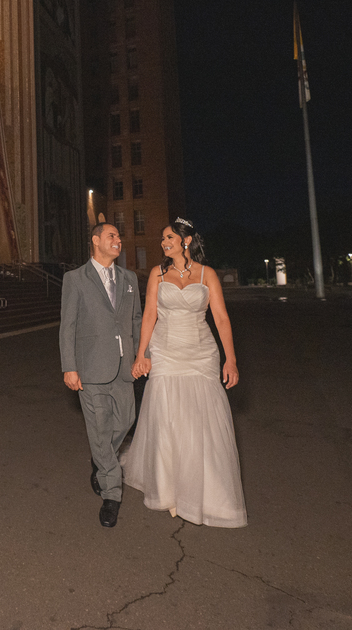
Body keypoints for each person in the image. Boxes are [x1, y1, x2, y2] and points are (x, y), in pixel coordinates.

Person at [121, 218, 247, 528]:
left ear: (186, 240)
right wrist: (142, 354)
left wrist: (230, 360)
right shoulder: (157, 274)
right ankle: (169, 490)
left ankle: (203, 492)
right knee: (167, 419)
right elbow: (149, 314)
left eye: (169, 237)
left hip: (201, 352)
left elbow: (221, 318)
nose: (164, 242)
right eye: (163, 238)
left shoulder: (208, 275)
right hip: (165, 350)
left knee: (199, 422)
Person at [60, 223, 143, 528]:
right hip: (91, 368)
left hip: (123, 367)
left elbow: (135, 319)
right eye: (112, 236)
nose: (118, 240)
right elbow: (67, 325)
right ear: (95, 241)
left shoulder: (129, 278)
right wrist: (69, 365)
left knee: (125, 421)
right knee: (99, 428)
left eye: (120, 236)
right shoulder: (75, 279)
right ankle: (111, 494)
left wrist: (141, 356)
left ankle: (99, 459)